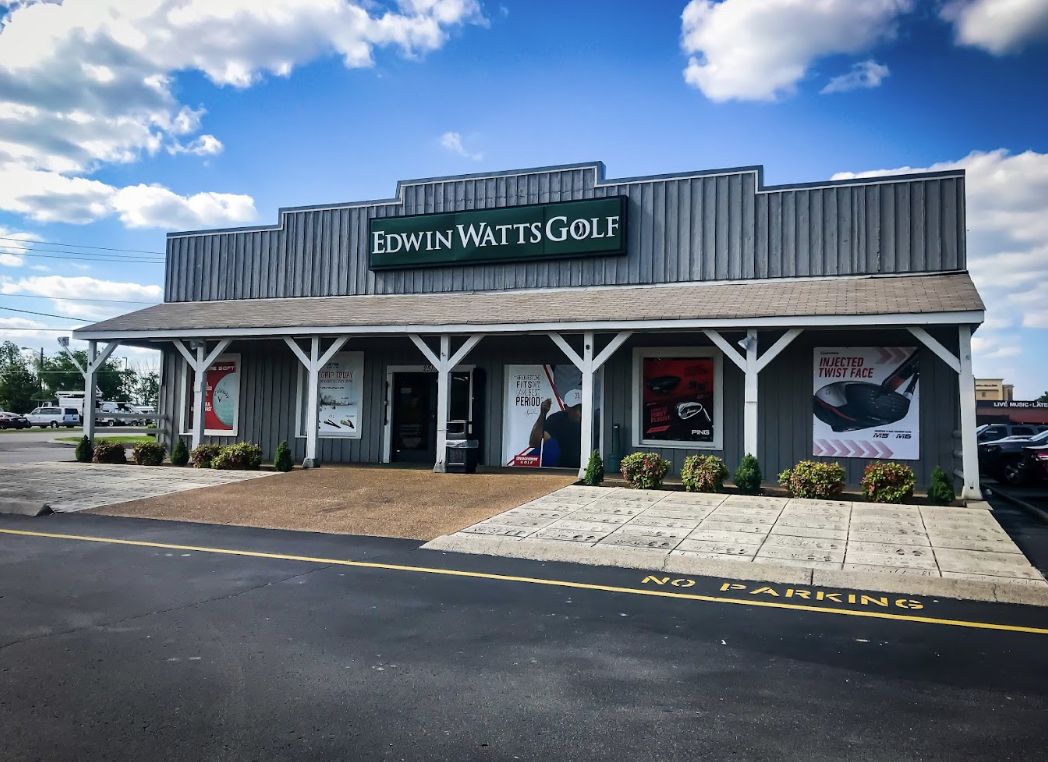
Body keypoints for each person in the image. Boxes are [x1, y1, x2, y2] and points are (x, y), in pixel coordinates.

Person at [528, 397, 582, 468]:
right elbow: (535, 443)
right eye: (574, 408)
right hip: (566, 469)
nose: (578, 412)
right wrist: (542, 415)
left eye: (580, 408)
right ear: (566, 407)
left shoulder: (595, 420)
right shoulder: (558, 419)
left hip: (591, 467)